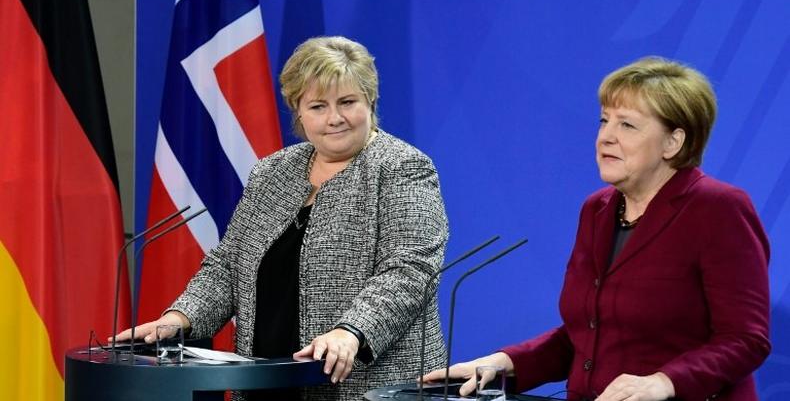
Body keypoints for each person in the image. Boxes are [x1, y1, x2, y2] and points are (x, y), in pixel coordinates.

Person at [115, 36, 449, 400]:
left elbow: (409, 271)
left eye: (348, 102)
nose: (335, 118)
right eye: (318, 106)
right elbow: (228, 265)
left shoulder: (402, 167)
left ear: (370, 101)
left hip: (367, 385)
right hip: (266, 382)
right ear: (298, 112)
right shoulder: (272, 172)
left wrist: (351, 331)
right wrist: (179, 320)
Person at [423, 57, 771, 401]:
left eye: (627, 126)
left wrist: (665, 383)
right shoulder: (597, 210)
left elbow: (745, 339)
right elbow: (586, 335)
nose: (605, 137)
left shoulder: (718, 208)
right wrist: (505, 364)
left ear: (673, 142)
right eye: (604, 121)